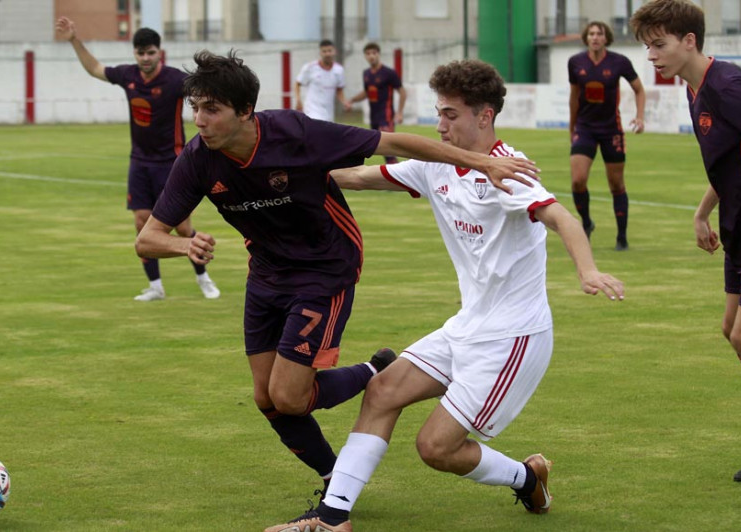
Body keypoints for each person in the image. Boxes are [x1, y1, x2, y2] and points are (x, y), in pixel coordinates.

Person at [135, 50, 542, 502]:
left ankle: (372, 374)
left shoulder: (295, 133)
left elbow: (397, 142)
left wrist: (483, 163)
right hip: (267, 273)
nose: (199, 120)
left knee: (289, 397)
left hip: (325, 267)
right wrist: (182, 244)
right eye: (195, 108)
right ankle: (335, 477)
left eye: (211, 109)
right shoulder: (197, 160)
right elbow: (147, 239)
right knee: (265, 398)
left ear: (245, 111)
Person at [265, 59, 625, 532]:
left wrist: (588, 269)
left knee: (435, 448)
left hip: (512, 338)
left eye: (451, 115)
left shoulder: (508, 171)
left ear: (484, 116)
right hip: (466, 325)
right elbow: (351, 177)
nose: (440, 126)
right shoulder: (434, 166)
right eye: (439, 113)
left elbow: (563, 218)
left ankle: (525, 477)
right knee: (382, 390)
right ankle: (333, 519)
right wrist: (280, 168)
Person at [632, 0, 741, 489]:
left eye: (659, 45)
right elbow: (730, 159)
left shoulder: (729, 85)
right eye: (647, 47)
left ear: (689, 41)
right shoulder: (695, 88)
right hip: (740, 226)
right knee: (733, 330)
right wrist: (704, 210)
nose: (652, 56)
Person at [55, 16, 220, 301]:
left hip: (171, 163)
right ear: (135, 53)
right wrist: (73, 39)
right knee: (142, 223)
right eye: (141, 52)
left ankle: (202, 276)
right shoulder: (128, 76)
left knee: (181, 226)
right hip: (140, 162)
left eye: (151, 52)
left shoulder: (175, 80)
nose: (145, 57)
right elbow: (95, 68)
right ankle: (156, 287)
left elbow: (205, 90)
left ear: (159, 52)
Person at [568, 21, 646, 251]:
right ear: (586, 37)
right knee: (577, 180)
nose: (594, 37)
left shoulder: (619, 62)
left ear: (606, 38)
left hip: (611, 129)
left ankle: (622, 237)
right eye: (591, 33)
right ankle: (586, 223)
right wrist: (572, 128)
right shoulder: (575, 62)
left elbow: (639, 89)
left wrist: (640, 116)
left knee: (616, 184)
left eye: (599, 34)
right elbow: (574, 97)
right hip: (585, 128)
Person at [345, 42, 408, 164]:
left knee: (388, 150)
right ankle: (393, 177)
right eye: (368, 53)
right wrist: (351, 100)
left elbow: (402, 92)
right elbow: (366, 92)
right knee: (379, 149)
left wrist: (400, 113)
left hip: (386, 116)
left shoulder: (389, 73)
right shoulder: (366, 73)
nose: (371, 56)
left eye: (374, 53)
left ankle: (398, 179)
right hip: (374, 117)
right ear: (365, 56)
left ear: (378, 54)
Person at [295, 39, 348, 122]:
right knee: (316, 132)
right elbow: (298, 83)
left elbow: (339, 90)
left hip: (328, 113)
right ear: (320, 53)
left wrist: (344, 102)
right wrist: (298, 100)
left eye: (329, 51)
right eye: (324, 51)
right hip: (312, 111)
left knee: (327, 133)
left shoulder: (339, 70)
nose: (327, 54)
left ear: (334, 52)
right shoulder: (310, 67)